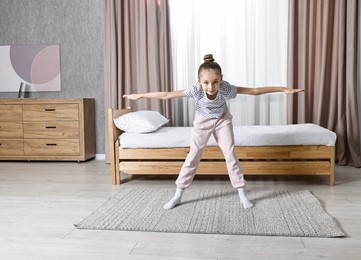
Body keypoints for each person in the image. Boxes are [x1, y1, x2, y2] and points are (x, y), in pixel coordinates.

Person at [123, 54, 304, 210]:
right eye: (206, 83)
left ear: (221, 79)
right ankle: (178, 194)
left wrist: (282, 89)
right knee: (193, 156)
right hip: (202, 122)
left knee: (230, 154)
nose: (211, 87)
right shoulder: (195, 90)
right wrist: (139, 96)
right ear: (199, 81)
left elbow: (254, 91)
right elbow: (166, 95)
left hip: (222, 120)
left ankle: (241, 193)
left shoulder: (225, 88)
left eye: (215, 82)